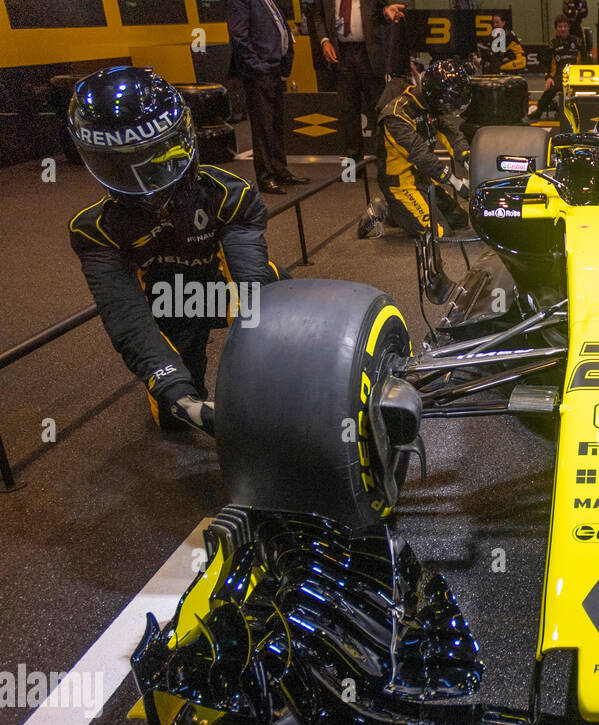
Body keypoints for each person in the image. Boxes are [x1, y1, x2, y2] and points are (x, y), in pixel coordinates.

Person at [67, 67, 281, 435]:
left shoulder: (228, 194)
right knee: (174, 417)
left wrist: (278, 354)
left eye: (153, 157)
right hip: (167, 305)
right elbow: (126, 316)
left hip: (222, 290)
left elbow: (252, 285)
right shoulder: (96, 230)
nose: (144, 185)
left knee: (284, 314)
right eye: (119, 164)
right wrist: (179, 395)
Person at [359, 60, 472, 239]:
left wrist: (469, 161)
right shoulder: (396, 117)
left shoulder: (431, 106)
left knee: (459, 219)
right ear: (436, 96)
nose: (450, 109)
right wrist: (457, 183)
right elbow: (421, 156)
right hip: (401, 184)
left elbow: (452, 136)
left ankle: (398, 211)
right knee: (441, 234)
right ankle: (388, 208)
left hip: (422, 178)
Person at [305, 1, 410, 162]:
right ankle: (353, 165)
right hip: (341, 54)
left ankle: (385, 161)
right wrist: (324, 40)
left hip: (369, 53)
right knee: (347, 110)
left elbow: (383, 8)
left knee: (379, 109)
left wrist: (386, 11)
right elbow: (317, 14)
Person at [227, 0, 310, 194]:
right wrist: (258, 67)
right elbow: (239, 37)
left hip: (275, 69)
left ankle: (280, 170)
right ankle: (266, 177)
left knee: (276, 124)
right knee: (263, 126)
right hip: (258, 74)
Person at [528, 15, 588, 121]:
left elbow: (585, 60)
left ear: (569, 27)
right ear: (556, 28)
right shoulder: (552, 44)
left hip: (577, 75)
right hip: (559, 76)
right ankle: (538, 111)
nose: (563, 29)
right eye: (560, 27)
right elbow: (545, 63)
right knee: (550, 89)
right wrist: (548, 78)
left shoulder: (577, 42)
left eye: (565, 26)